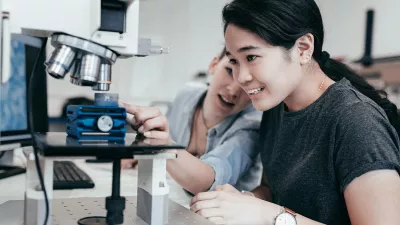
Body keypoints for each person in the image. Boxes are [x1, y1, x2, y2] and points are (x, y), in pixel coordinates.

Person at [189, 0, 400, 225]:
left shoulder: (357, 122)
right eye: (234, 62)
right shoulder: (277, 107)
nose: (241, 78)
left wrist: (267, 215)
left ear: (303, 49)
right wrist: (243, 201)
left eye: (251, 57)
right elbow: (274, 189)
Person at [121, 47, 263, 194]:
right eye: (229, 71)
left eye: (248, 84)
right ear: (213, 65)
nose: (233, 91)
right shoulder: (187, 95)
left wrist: (162, 147)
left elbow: (205, 183)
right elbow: (166, 146)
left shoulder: (252, 126)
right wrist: (145, 152)